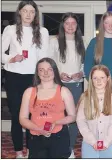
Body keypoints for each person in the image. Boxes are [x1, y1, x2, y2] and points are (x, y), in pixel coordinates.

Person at [1, 1, 50, 157]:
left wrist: (45, 77)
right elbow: (1, 54)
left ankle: (30, 149)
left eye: (32, 11)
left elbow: (44, 58)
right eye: (25, 11)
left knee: (32, 116)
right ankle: (18, 151)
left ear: (35, 14)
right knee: (17, 116)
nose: (28, 14)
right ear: (19, 13)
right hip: (13, 77)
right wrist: (11, 58)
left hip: (33, 78)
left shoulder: (43, 32)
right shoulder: (10, 30)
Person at [19, 58, 76, 158]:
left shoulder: (64, 91)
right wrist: (39, 129)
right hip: (35, 136)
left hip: (58, 136)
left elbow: (72, 116)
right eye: (41, 70)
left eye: (49, 69)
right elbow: (22, 118)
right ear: (37, 73)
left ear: (55, 71)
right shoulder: (29, 92)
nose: (45, 73)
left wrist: (56, 123)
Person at [48, 12, 85, 157]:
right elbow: (49, 63)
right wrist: (59, 74)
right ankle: (56, 146)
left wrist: (80, 73)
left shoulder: (81, 41)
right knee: (58, 117)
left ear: (77, 26)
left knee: (74, 117)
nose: (70, 26)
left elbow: (84, 64)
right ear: (63, 25)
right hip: (58, 85)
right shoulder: (54, 41)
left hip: (76, 85)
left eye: (73, 23)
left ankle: (69, 149)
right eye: (67, 23)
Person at [76, 65, 112, 158]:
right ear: (91, 80)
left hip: (110, 142)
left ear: (108, 79)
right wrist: (92, 141)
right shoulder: (85, 98)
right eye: (95, 78)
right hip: (89, 143)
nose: (99, 81)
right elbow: (81, 121)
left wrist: (107, 142)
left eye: (102, 77)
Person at [84, 11, 112, 102]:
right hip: (98, 87)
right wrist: (94, 82)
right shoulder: (94, 42)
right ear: (103, 24)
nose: (110, 26)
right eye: (107, 23)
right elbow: (87, 67)